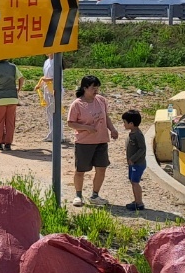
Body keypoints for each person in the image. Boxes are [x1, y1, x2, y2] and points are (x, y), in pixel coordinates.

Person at [68, 75, 117, 205]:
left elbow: (106, 117)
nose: (96, 90)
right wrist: (86, 128)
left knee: (101, 168)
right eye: (93, 88)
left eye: (97, 87)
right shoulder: (77, 104)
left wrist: (112, 129)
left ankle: (95, 195)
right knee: (80, 170)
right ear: (85, 88)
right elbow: (71, 123)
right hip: (84, 143)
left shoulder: (101, 100)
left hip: (101, 140)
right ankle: (78, 195)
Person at [121, 109, 146, 211]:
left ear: (131, 123)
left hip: (137, 164)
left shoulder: (138, 135)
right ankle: (136, 200)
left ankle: (139, 203)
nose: (124, 125)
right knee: (132, 181)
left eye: (125, 122)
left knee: (135, 182)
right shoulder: (133, 133)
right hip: (133, 163)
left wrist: (133, 158)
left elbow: (142, 149)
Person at [36, 55, 63, 142]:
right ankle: (51, 134)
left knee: (56, 112)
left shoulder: (57, 60)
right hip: (47, 89)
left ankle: (60, 135)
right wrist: (40, 84)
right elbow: (45, 76)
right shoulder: (46, 61)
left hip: (55, 89)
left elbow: (58, 77)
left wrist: (48, 79)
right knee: (49, 112)